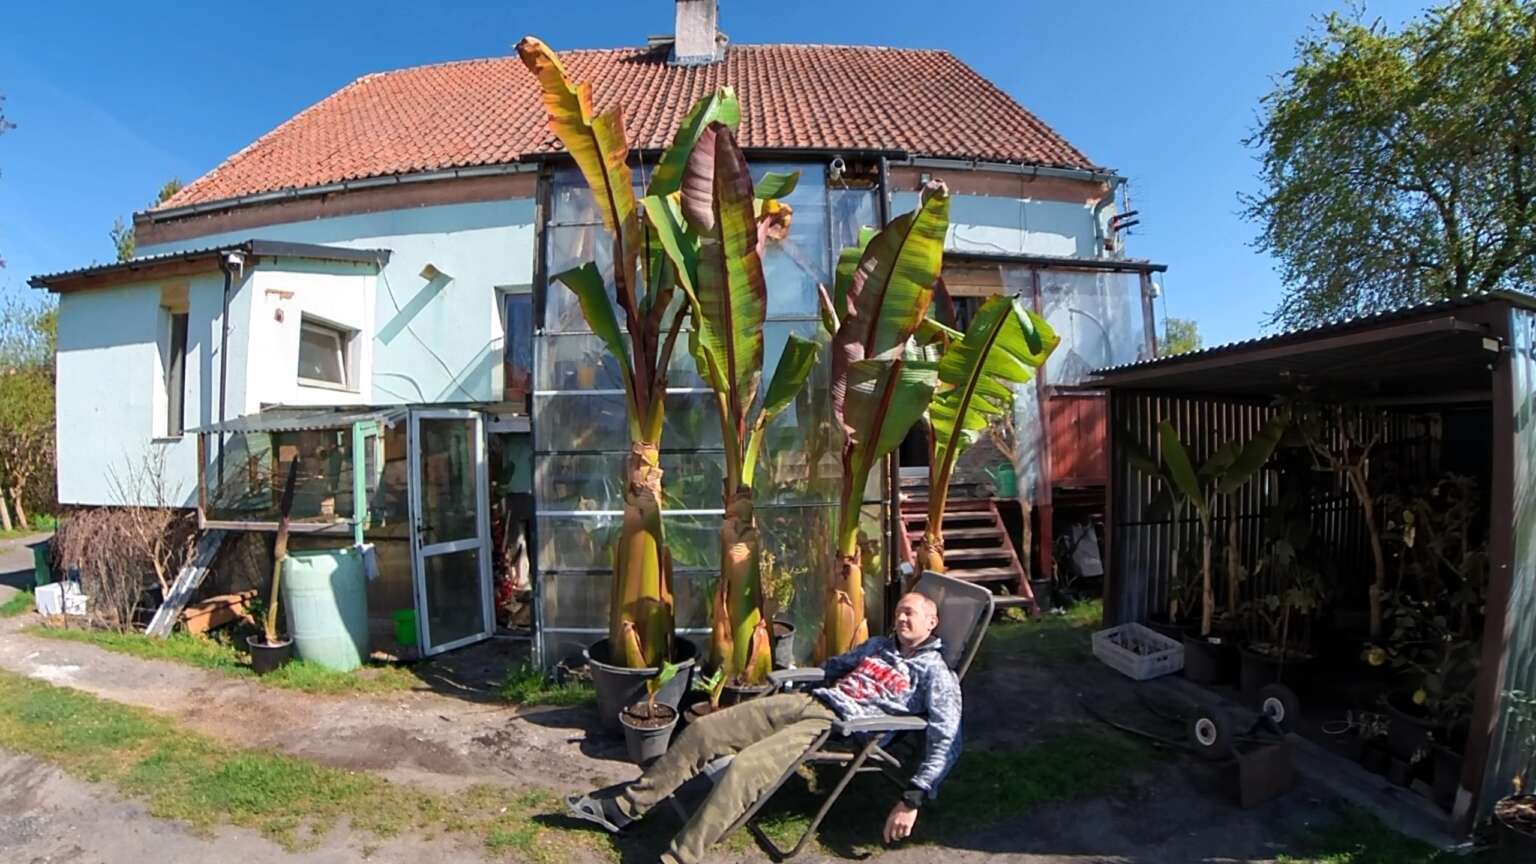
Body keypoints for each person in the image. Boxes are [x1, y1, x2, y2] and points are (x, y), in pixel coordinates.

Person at [565, 592, 962, 864]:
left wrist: (913, 797)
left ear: (933, 621)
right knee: (705, 731)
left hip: (839, 726)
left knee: (745, 769)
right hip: (809, 700)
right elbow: (834, 667)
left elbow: (947, 737)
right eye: (900, 611)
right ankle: (623, 808)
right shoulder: (879, 646)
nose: (902, 618)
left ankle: (679, 857)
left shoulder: (935, 673)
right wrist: (803, 674)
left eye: (911, 613)